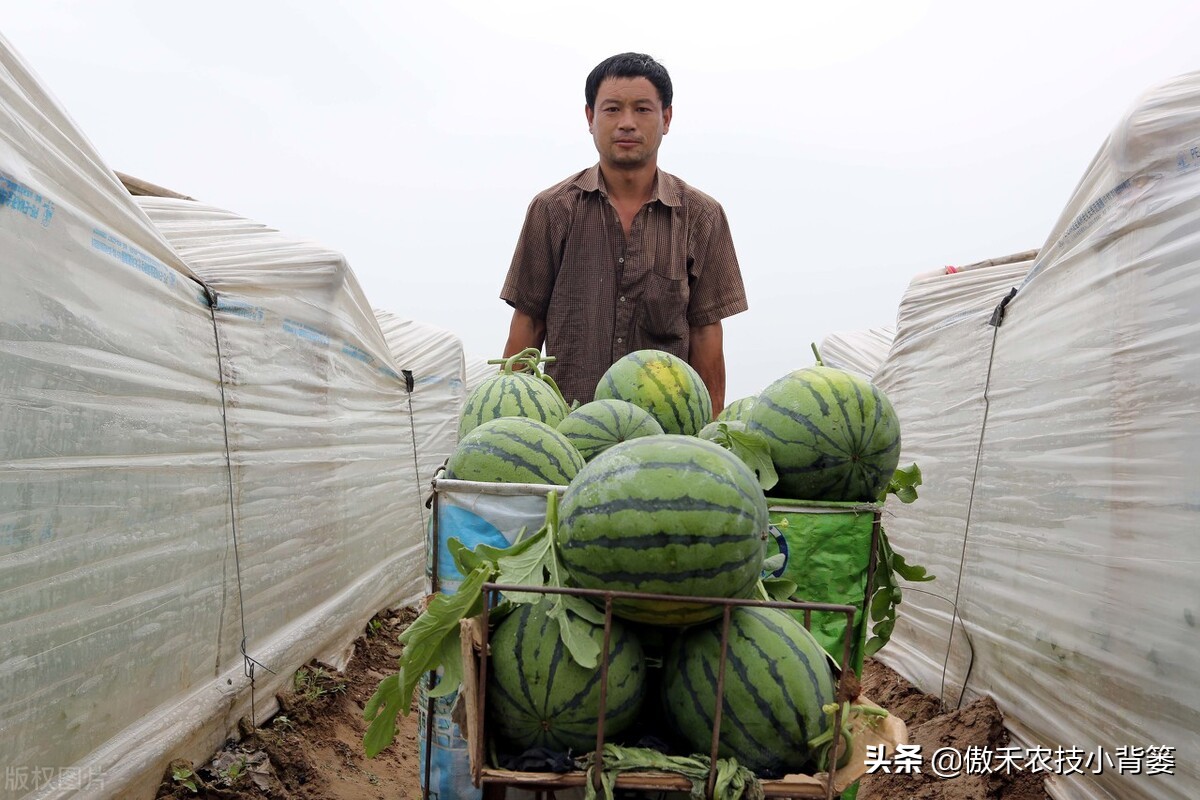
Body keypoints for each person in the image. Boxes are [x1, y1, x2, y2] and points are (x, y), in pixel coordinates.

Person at [499, 52, 748, 414]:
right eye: (612, 109)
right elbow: (528, 322)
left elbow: (706, 333)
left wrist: (709, 429)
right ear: (590, 117)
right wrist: (510, 421)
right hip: (568, 428)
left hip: (662, 434)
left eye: (643, 110)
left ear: (666, 118)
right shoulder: (552, 210)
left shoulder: (701, 216)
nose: (627, 123)